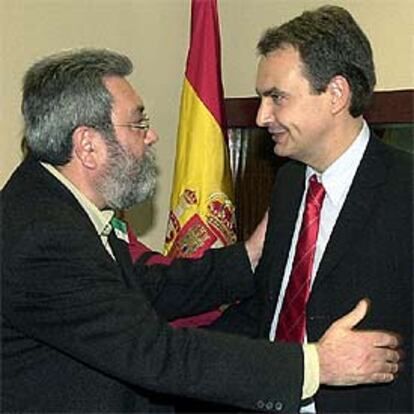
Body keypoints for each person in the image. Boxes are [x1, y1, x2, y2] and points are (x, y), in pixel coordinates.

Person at [1, 48, 401, 413]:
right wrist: (316, 364)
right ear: (88, 146)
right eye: (138, 123)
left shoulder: (59, 204)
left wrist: (247, 257)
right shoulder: (42, 234)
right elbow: (156, 353)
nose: (151, 135)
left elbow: (147, 290)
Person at [210, 5, 413, 413]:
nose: (263, 116)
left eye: (277, 98)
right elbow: (271, 305)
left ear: (336, 94)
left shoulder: (405, 190)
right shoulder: (289, 183)